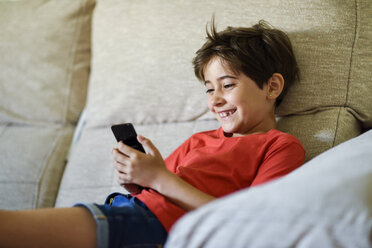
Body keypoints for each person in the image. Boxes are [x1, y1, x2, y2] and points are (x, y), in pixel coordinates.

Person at [0, 19, 305, 248]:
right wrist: (138, 181)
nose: (214, 100)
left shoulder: (280, 146)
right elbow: (159, 188)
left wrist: (157, 178)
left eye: (227, 85)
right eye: (209, 89)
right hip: (129, 209)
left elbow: (252, 224)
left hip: (150, 226)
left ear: (272, 86)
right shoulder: (199, 140)